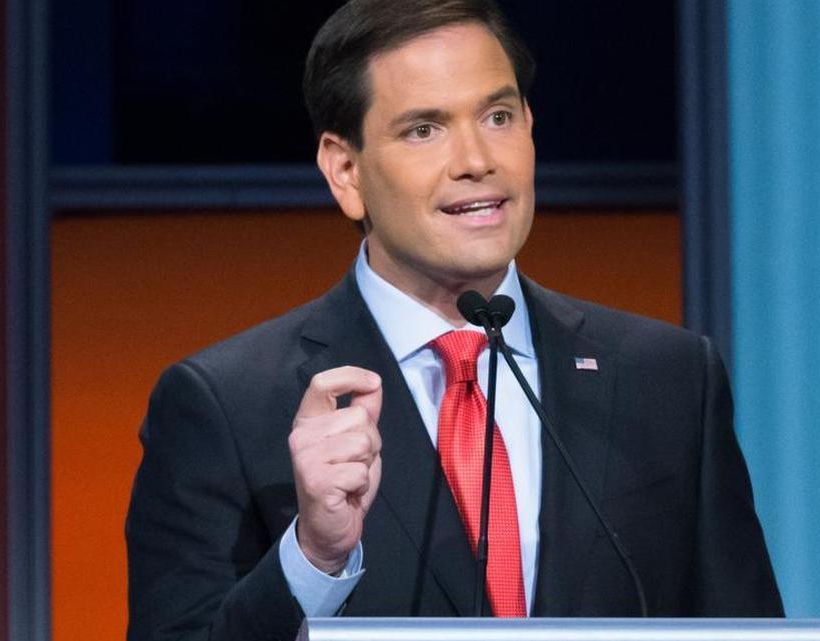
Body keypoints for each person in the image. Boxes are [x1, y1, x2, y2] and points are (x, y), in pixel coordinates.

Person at [125, 1, 783, 640]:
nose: (476, 159)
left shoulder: (667, 379)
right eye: (424, 129)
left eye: (498, 116)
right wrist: (314, 557)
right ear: (345, 170)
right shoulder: (227, 405)